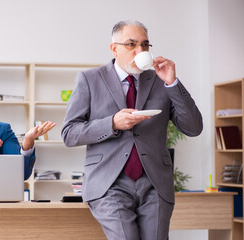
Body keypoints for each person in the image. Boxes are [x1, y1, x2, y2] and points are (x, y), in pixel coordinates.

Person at [61, 20, 203, 240]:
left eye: (145, 45)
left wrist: (172, 83)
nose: (140, 51)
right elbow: (69, 133)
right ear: (114, 48)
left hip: (155, 184)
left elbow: (193, 128)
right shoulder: (89, 79)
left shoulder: (161, 80)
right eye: (131, 44)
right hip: (109, 184)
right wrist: (112, 124)